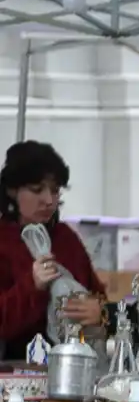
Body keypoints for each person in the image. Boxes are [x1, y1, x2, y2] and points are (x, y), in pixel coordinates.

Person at [0, 140, 107, 360]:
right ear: (12, 190)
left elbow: (97, 295)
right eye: (37, 190)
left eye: (55, 191)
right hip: (14, 370)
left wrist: (100, 313)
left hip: (73, 363)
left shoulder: (65, 238)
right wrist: (32, 285)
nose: (48, 200)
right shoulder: (3, 241)